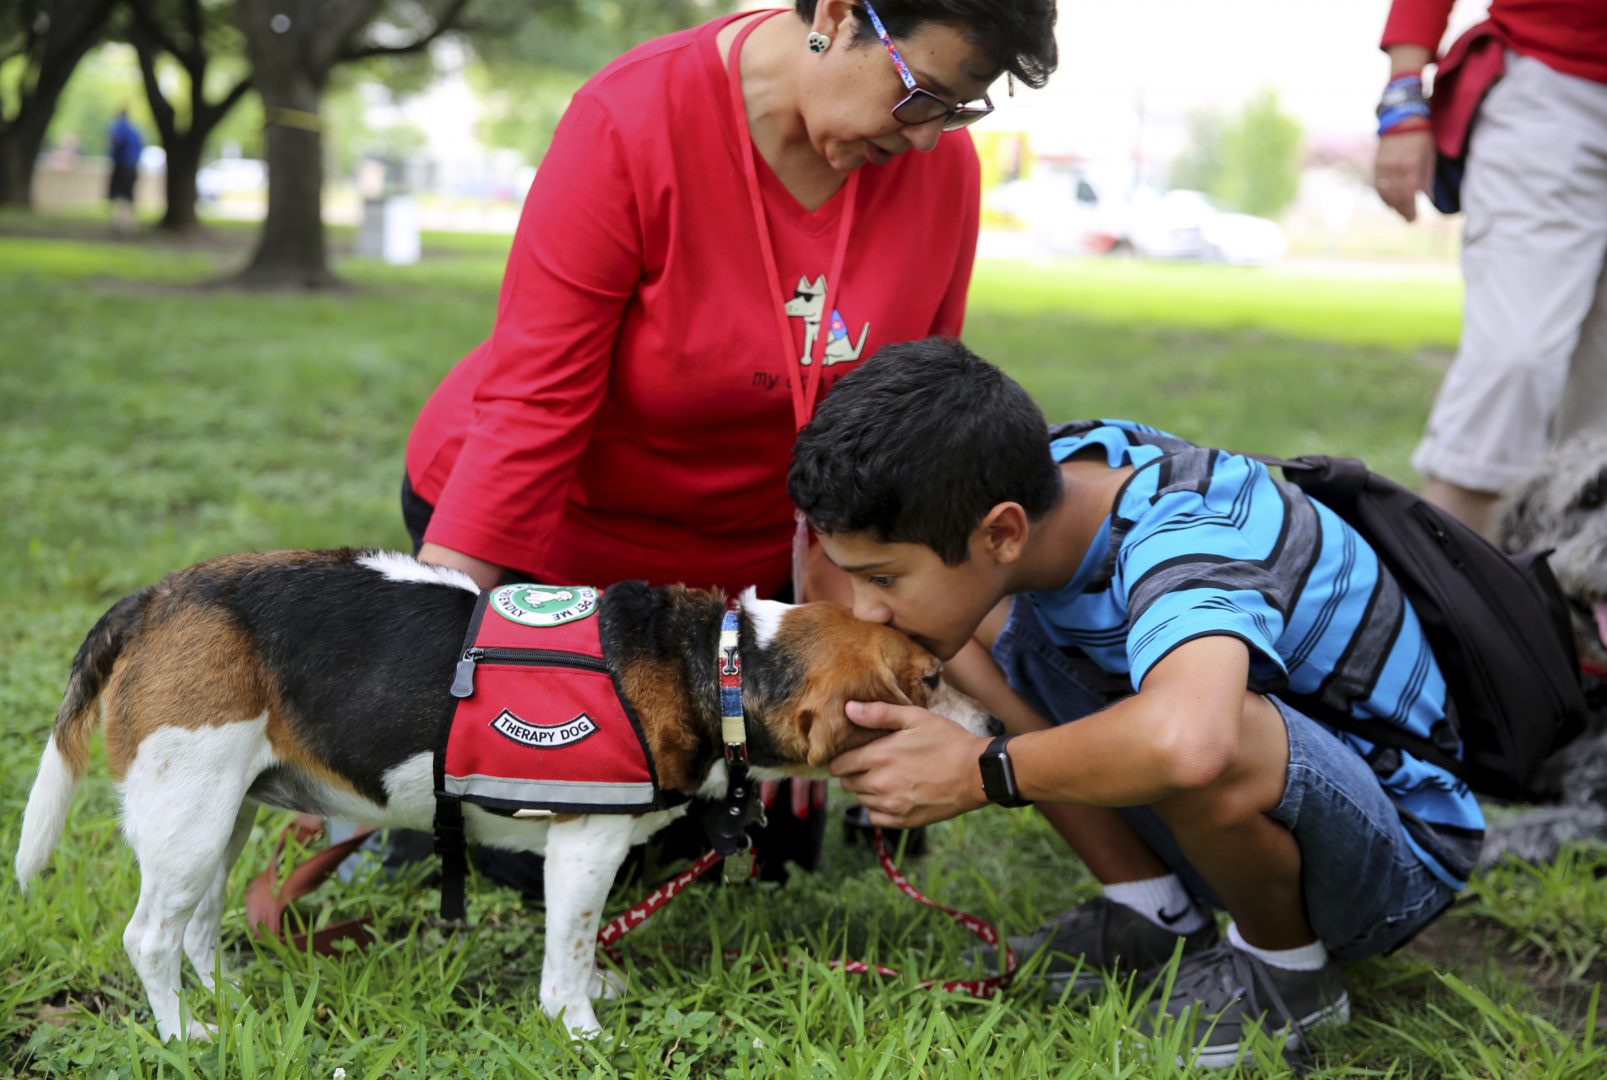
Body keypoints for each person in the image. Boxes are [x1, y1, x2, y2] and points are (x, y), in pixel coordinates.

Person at [391, 2, 1059, 888]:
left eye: (956, 110)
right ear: (831, 14)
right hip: (561, 548)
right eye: (918, 96)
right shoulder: (633, 120)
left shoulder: (934, 171)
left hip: (749, 574)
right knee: (545, 844)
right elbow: (532, 409)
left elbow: (902, 433)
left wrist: (835, 638)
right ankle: (400, 820)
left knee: (752, 861)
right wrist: (426, 664)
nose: (928, 139)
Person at [787, 340, 1484, 1067]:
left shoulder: (1184, 537)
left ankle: (1285, 975)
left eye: (885, 579)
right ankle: (1155, 914)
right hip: (1268, 804)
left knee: (1210, 728)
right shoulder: (1050, 474)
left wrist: (976, 771)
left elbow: (1193, 742)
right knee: (951, 636)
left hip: (1394, 858)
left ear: (1001, 530)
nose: (868, 609)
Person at [1372, 0, 1607, 536]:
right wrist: (1403, 100)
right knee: (1510, 368)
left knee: (1600, 420)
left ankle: (1567, 612)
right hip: (1553, 90)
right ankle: (1446, 609)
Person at [106, 108, 143, 237]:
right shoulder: (135, 130)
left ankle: (121, 224)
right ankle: (131, 224)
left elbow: (115, 141)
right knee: (130, 196)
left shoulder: (118, 127)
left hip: (122, 165)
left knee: (119, 196)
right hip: (133, 166)